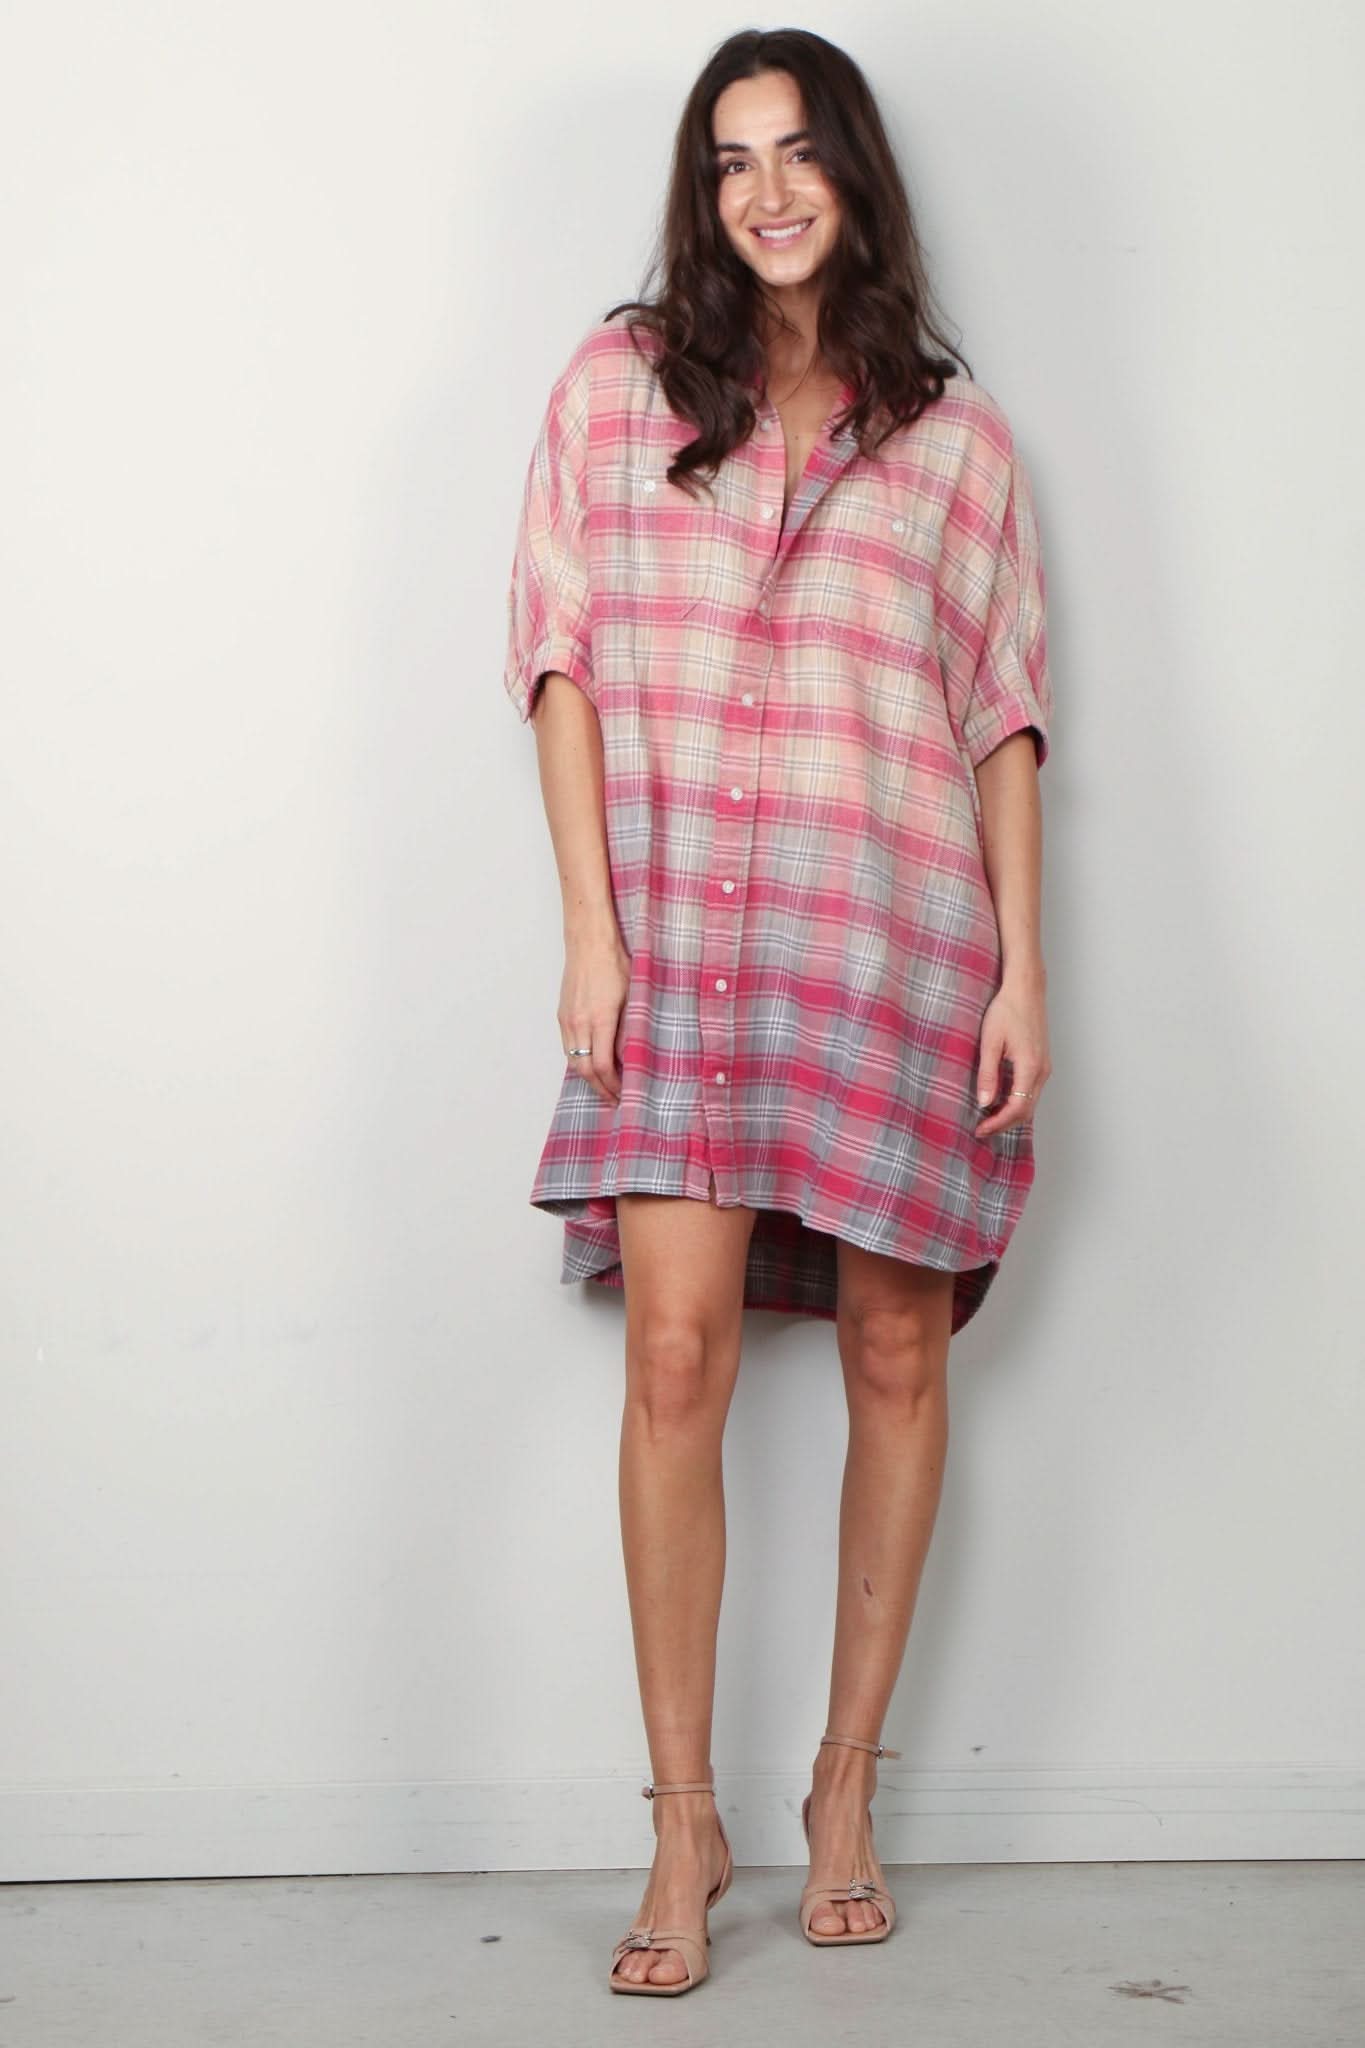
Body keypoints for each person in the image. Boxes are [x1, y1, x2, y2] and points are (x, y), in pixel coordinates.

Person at [502, 27, 1055, 1997]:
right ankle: (682, 1821)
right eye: (730, 160)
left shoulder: (955, 442)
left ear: (852, 175)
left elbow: (998, 712)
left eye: (798, 152)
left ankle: (840, 1788)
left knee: (898, 1353)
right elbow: (556, 656)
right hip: (679, 951)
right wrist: (591, 930)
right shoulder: (611, 390)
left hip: (888, 949)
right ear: (702, 191)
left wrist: (1021, 965)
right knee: (674, 1359)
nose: (765, 191)